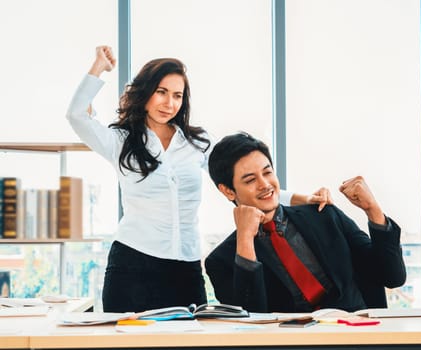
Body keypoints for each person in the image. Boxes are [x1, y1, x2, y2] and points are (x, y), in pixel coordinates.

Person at [66, 46, 332, 313]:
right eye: (161, 92)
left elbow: (242, 180)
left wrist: (303, 198)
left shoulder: (197, 142)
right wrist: (99, 67)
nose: (169, 103)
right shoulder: (120, 142)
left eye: (177, 96)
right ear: (145, 92)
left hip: (186, 266)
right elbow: (76, 115)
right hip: (132, 264)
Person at [205, 132, 407, 313]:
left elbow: (392, 276)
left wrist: (372, 209)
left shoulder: (323, 216)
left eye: (267, 173)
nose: (265, 185)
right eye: (250, 180)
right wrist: (246, 239)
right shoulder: (222, 260)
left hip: (352, 334)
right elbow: (250, 320)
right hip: (289, 344)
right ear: (228, 190)